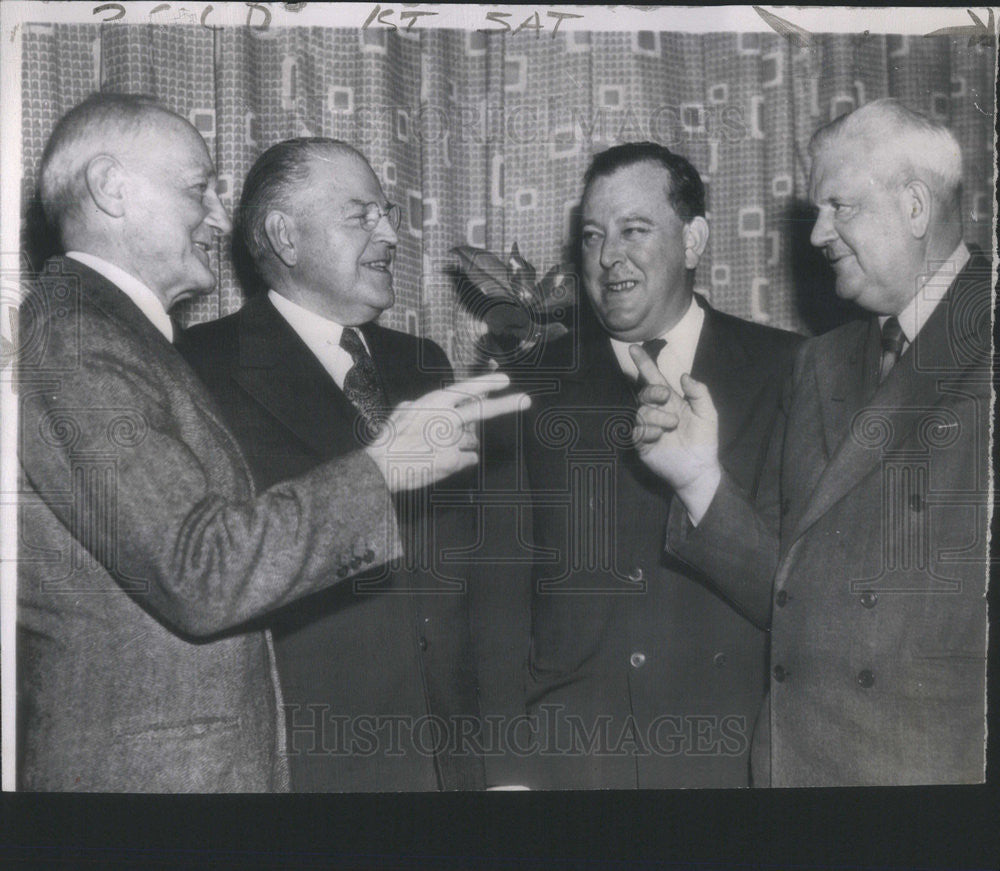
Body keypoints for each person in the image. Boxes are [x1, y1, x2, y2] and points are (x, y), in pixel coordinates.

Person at [17, 93, 522, 792]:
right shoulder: (88, 340)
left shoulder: (125, 337)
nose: (220, 217)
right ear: (111, 187)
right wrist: (384, 468)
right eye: (199, 189)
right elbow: (201, 568)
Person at [633, 99, 990, 786]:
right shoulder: (819, 362)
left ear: (914, 207)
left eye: (839, 205)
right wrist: (698, 479)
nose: (818, 233)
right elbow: (789, 594)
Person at [181, 138, 484, 792]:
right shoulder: (197, 369)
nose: (392, 233)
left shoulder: (424, 362)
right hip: (315, 772)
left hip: (453, 765)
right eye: (361, 215)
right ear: (285, 237)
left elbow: (471, 572)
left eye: (389, 212)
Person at [518, 142, 802, 788]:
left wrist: (705, 490)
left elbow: (804, 602)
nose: (607, 255)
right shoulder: (527, 391)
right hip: (574, 769)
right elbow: (501, 607)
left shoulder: (792, 372)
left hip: (734, 766)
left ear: (694, 239)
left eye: (634, 230)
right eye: (591, 236)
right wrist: (508, 771)